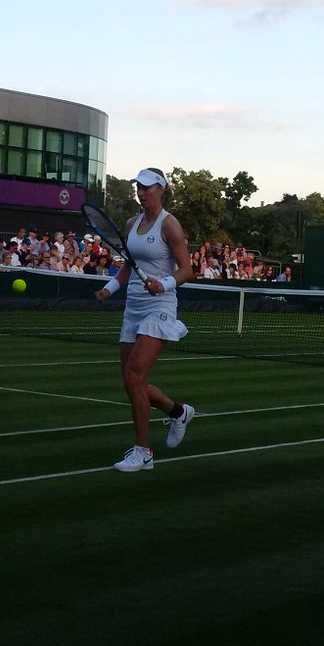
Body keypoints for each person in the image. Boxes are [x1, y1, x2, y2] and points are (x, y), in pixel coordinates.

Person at [95, 167, 195, 472]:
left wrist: (163, 284)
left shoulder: (171, 225)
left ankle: (143, 452)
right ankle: (178, 412)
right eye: (139, 186)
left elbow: (187, 269)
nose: (141, 191)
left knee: (135, 377)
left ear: (161, 190)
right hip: (133, 307)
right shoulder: (131, 223)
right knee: (131, 382)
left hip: (160, 305)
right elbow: (128, 266)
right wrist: (109, 289)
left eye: (148, 187)